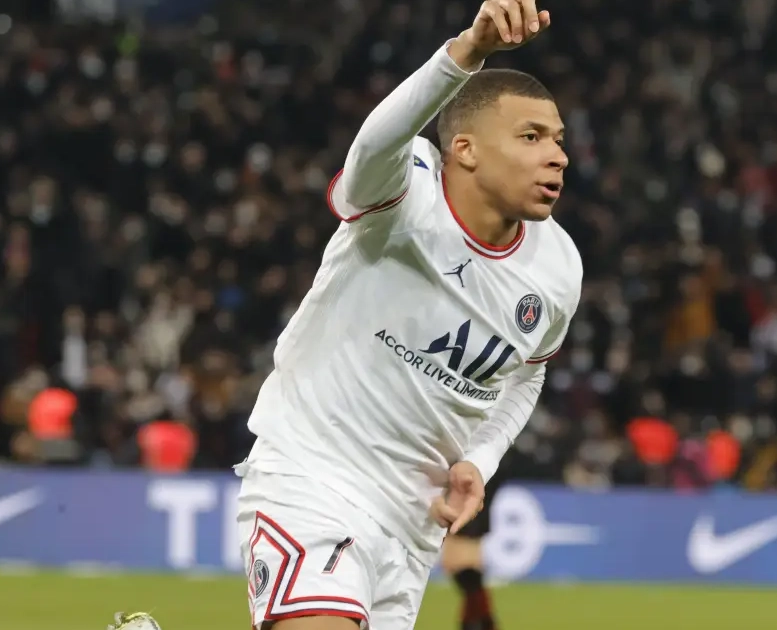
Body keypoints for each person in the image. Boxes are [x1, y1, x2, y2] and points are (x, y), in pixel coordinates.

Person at [232, 2, 582, 630]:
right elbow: (375, 144)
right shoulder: (404, 195)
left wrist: (479, 460)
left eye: (557, 139)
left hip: (413, 530)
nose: (556, 155)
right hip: (315, 478)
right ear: (465, 150)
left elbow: (525, 375)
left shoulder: (557, 267)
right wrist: (467, 52)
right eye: (531, 137)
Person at [441, 471, 506, 630]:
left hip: (468, 527)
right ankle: (484, 623)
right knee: (471, 583)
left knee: (471, 583)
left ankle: (482, 624)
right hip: (464, 527)